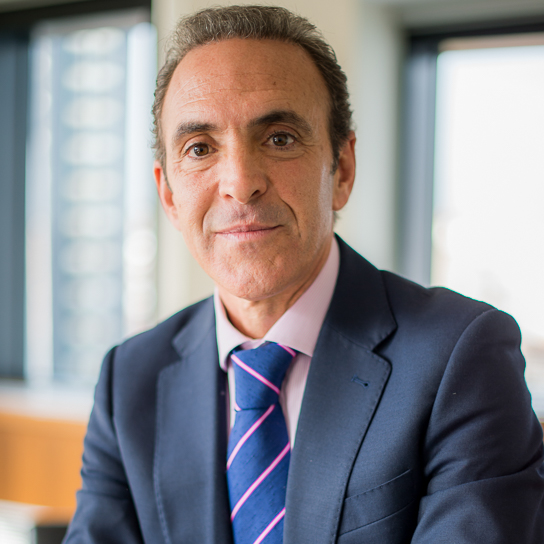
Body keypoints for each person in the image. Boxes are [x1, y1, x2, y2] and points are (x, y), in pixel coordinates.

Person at [63, 5, 544, 544]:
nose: (240, 182)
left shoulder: (463, 355)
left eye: (279, 138)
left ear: (342, 170)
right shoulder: (130, 378)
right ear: (169, 195)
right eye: (199, 148)